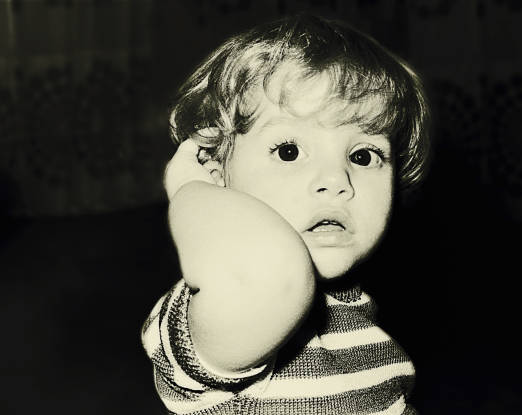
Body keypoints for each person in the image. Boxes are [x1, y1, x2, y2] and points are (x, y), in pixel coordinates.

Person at [142, 13, 429, 415]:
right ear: (216, 173)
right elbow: (268, 277)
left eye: (363, 155)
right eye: (289, 151)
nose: (336, 180)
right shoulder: (214, 314)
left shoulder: (352, 315)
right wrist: (192, 190)